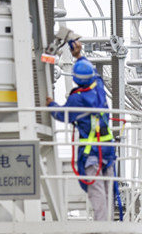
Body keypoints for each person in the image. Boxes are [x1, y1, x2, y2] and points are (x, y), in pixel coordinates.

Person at [46, 42, 116, 220]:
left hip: (91, 151)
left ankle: (102, 224)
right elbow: (97, 76)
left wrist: (50, 104)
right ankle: (107, 221)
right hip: (107, 148)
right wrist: (79, 56)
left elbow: (62, 115)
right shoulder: (98, 88)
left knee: (96, 189)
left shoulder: (77, 100)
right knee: (108, 188)